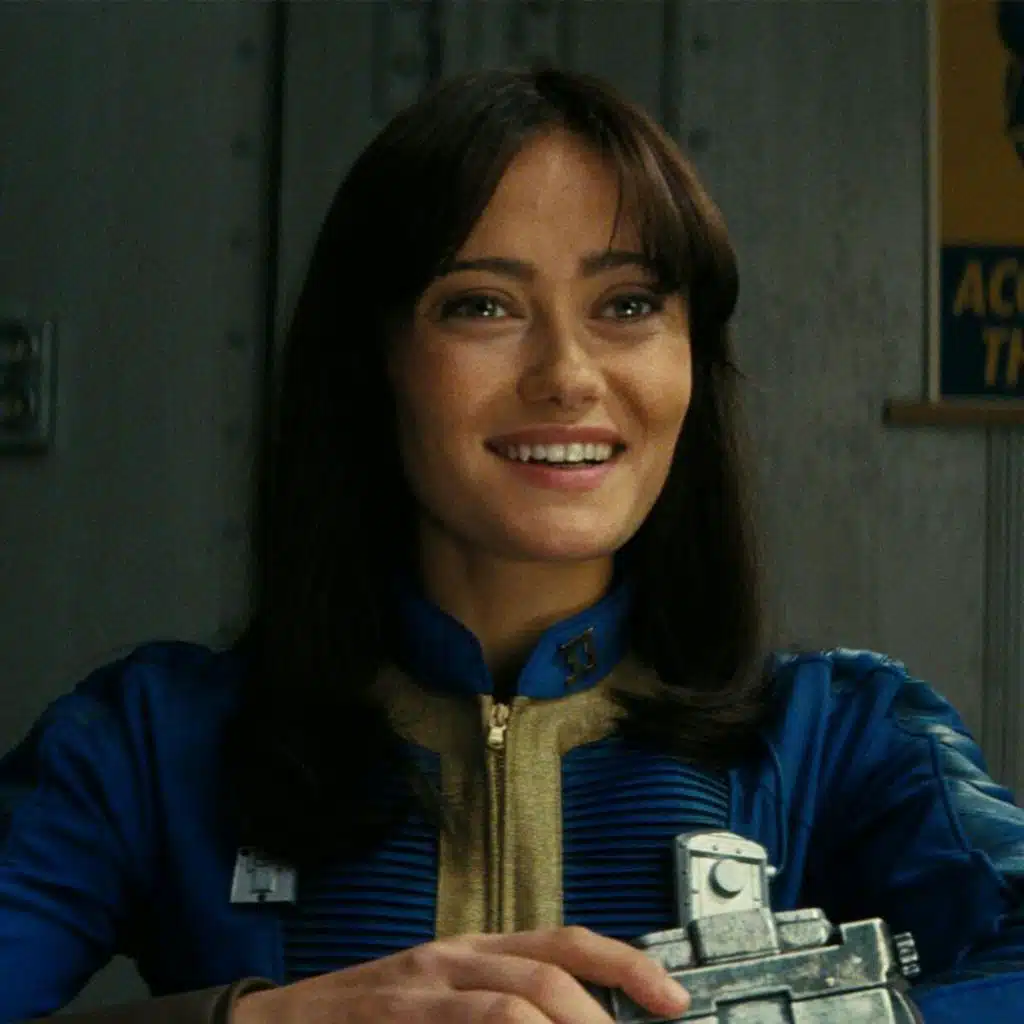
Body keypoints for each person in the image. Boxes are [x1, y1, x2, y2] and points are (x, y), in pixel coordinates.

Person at [0, 66, 1022, 1024]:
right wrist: (258, 1019)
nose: (568, 375)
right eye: (481, 305)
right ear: (372, 360)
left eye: (628, 304)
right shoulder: (151, 743)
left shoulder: (843, 737)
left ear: (692, 364)